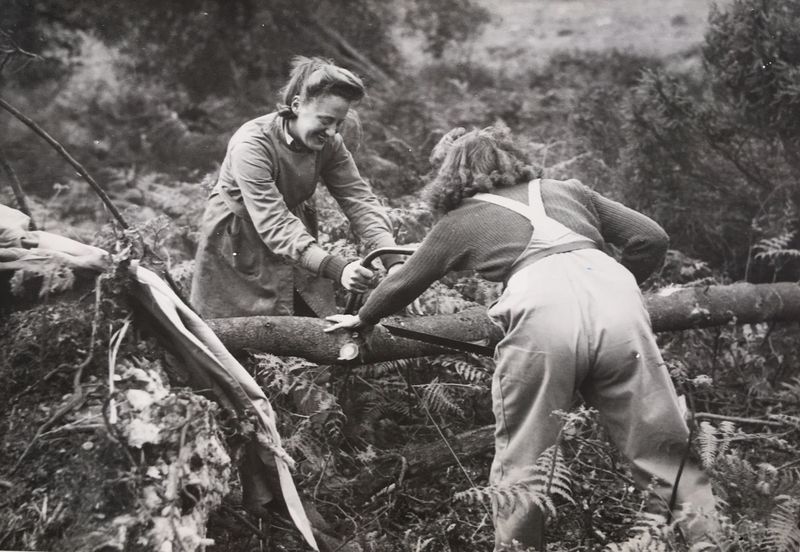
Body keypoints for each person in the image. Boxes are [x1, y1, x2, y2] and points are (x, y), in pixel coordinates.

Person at [325, 126, 718, 549]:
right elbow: (651, 237)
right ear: (511, 159)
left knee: (526, 455)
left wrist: (363, 319)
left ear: (451, 175)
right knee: (662, 446)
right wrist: (616, 286)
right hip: (616, 296)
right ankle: (712, 541)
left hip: (542, 308)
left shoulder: (458, 220)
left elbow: (404, 282)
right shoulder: (567, 189)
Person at [190, 56, 404, 319]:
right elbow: (273, 222)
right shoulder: (252, 145)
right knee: (238, 334)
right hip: (240, 239)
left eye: (339, 123)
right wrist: (339, 269)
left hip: (295, 237)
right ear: (296, 105)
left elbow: (358, 200)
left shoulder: (330, 143)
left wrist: (394, 262)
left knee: (307, 328)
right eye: (326, 120)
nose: (333, 132)